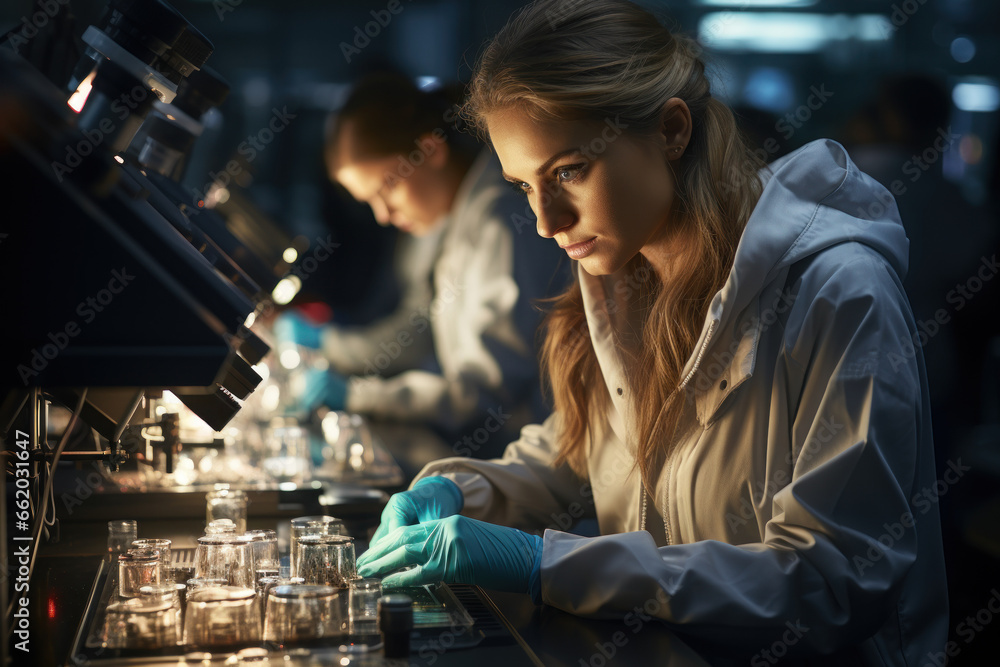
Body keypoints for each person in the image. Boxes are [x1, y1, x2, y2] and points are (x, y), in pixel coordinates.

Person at [356, 1, 948, 664]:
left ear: (670, 129)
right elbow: (574, 456)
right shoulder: (630, 276)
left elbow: (830, 582)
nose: (547, 221)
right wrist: (459, 492)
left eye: (570, 170)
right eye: (524, 186)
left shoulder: (839, 291)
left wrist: (547, 564)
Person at [277, 72, 569, 457]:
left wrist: (359, 394)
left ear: (431, 152)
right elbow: (437, 351)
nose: (383, 215)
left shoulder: (501, 223)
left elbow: (480, 392)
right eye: (370, 202)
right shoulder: (457, 222)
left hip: (534, 464)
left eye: (388, 189)